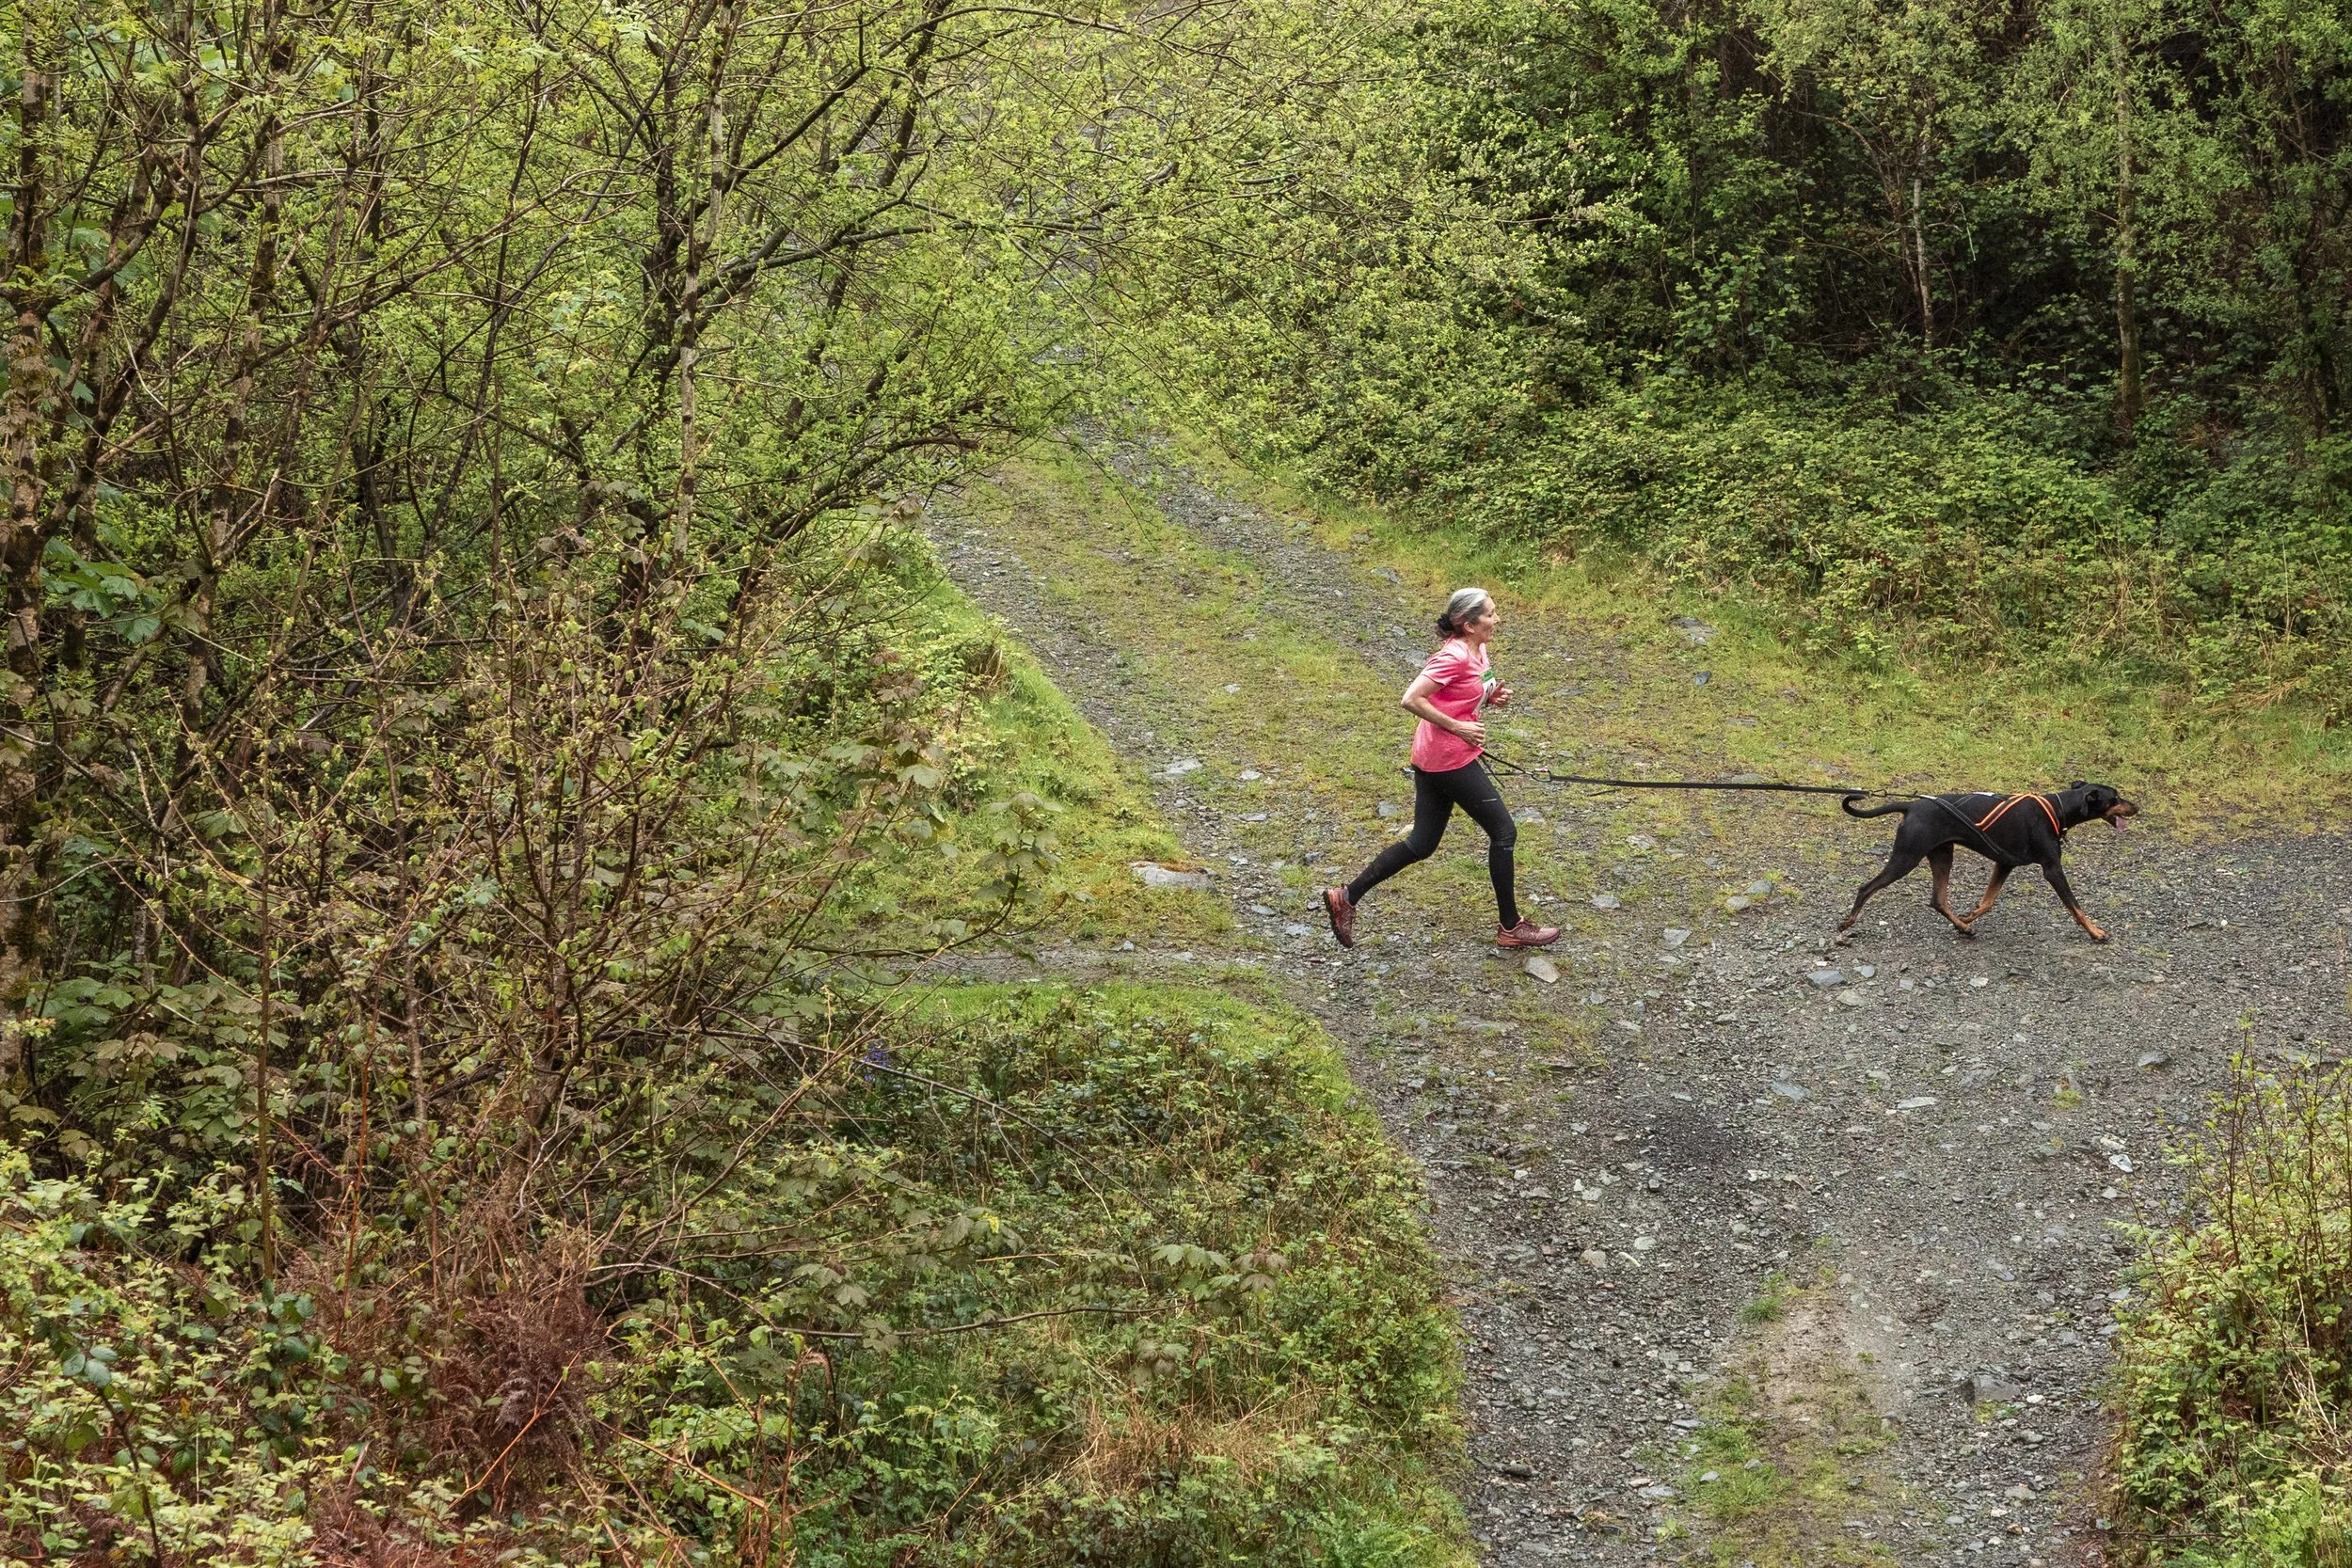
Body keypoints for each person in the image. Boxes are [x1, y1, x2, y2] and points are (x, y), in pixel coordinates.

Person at [1324, 588, 1561, 950]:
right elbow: (1411, 698)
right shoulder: (1452, 656)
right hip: (1448, 759)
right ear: (1469, 624)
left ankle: (1346, 897)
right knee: (1504, 832)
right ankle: (1511, 927)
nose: (1497, 619)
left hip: (1437, 756)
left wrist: (1491, 694)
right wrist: (1458, 726)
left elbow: (1469, 687)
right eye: (1491, 615)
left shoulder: (1477, 648)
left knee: (1422, 842)